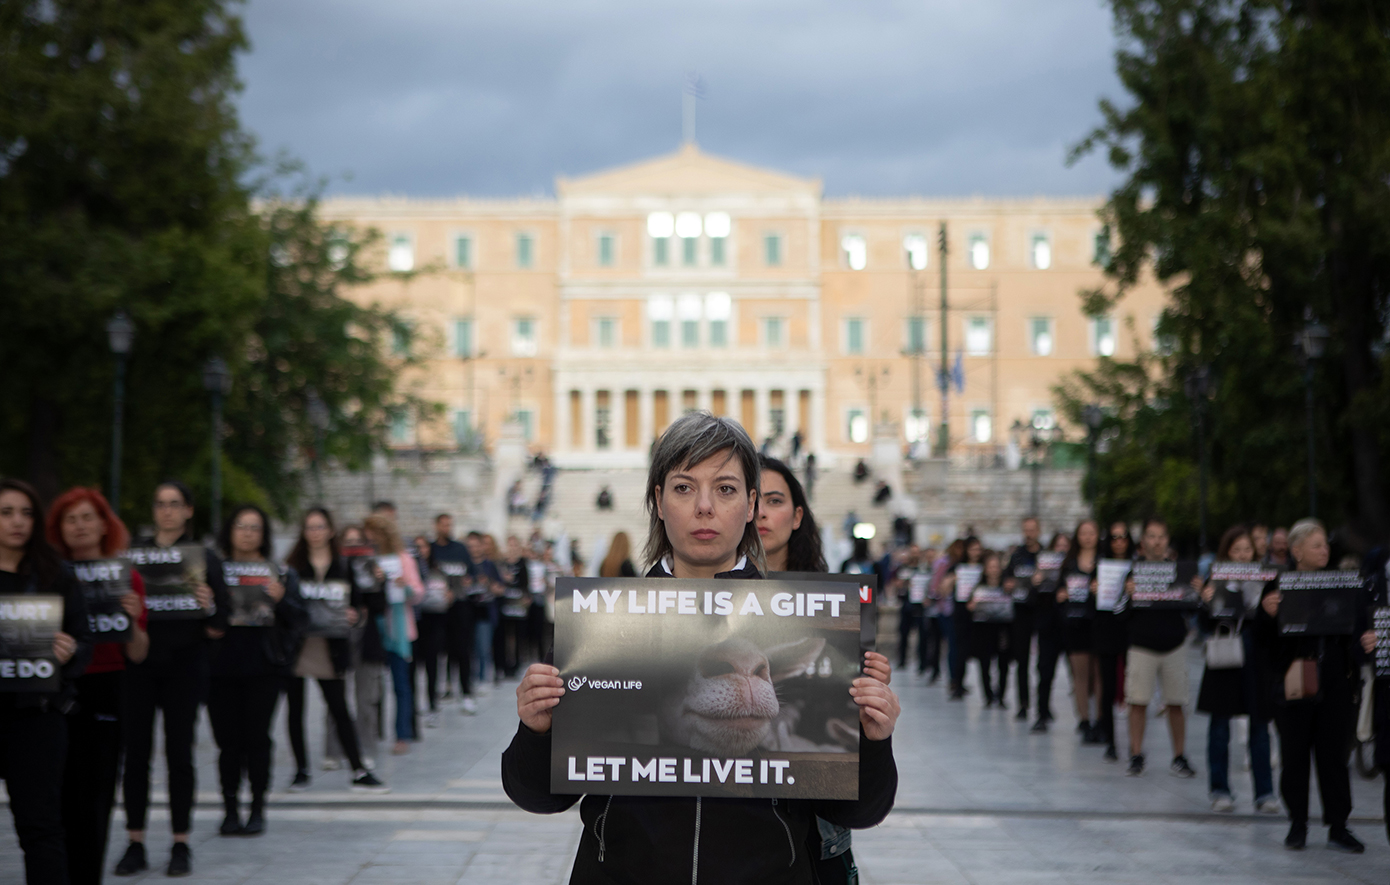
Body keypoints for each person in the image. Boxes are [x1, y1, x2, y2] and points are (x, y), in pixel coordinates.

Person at [502, 411, 899, 884]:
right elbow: (538, 796)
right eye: (684, 488)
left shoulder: (807, 620)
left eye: (726, 489)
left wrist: (874, 740)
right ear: (658, 501)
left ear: (751, 505)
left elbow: (860, 811)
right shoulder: (600, 623)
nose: (705, 507)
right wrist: (537, 730)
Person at [758, 454, 867, 885]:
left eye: (775, 500)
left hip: (815, 829)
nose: (761, 513)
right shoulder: (694, 602)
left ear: (798, 515)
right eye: (752, 500)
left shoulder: (837, 609)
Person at [114, 481, 229, 878]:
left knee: (180, 754)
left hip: (185, 665)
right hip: (139, 665)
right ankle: (135, 841)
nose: (167, 511)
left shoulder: (205, 558)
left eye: (174, 504)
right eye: (160, 504)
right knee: (136, 755)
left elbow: (220, 624)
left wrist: (208, 604)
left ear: (188, 510)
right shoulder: (132, 556)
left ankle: (181, 842)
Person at [46, 488, 149, 885]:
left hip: (107, 687)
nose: (80, 526)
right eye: (70, 519)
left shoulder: (128, 578)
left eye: (87, 517)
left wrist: (134, 619)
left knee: (97, 794)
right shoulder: (48, 576)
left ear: (105, 525)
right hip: (55, 689)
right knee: (55, 795)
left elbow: (139, 652)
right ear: (58, 529)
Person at [1257, 519, 1374, 853]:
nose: (1324, 551)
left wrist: (1367, 639)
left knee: (1334, 755)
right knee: (1295, 754)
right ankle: (1298, 823)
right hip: (1295, 678)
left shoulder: (1342, 583)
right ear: (1297, 551)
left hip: (1336, 680)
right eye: (1316, 545)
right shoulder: (1277, 584)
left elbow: (1359, 626)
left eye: (1325, 545)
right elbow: (1262, 640)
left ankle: (1338, 825)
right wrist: (1266, 614)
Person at [0, 479, 93, 885]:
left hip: (37, 718)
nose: (17, 522)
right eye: (6, 513)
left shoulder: (56, 575)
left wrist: (70, 651)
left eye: (26, 513)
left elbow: (84, 641)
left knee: (41, 828)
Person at [208, 504, 306, 836]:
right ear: (229, 531)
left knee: (257, 739)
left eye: (254, 527)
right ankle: (230, 809)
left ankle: (258, 808)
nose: (247, 533)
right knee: (227, 742)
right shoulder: (215, 571)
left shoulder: (280, 573)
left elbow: (300, 619)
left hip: (264, 666)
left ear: (264, 534)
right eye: (241, 526)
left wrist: (282, 599)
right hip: (221, 667)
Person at [282, 508, 387, 793]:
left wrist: (356, 614)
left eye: (320, 527)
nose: (315, 532)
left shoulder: (344, 566)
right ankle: (301, 770)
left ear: (330, 531)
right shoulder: (292, 567)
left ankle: (358, 769)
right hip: (298, 646)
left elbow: (362, 605)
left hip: (330, 646)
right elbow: (283, 608)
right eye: (310, 527)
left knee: (339, 707)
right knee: (295, 710)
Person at [1196, 525, 1276, 814]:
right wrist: (1205, 602)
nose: (1242, 555)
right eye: (1236, 550)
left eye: (1247, 549)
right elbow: (1203, 625)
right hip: (1224, 653)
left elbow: (1274, 628)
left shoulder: (1267, 580)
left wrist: (1269, 610)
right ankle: (1220, 789)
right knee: (1219, 725)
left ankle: (1265, 793)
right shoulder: (1215, 579)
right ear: (1226, 553)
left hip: (1256, 656)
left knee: (1259, 725)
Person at [1120, 518, 1196, 778]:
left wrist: (1197, 592)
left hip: (1174, 644)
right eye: (1152, 536)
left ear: (1167, 540)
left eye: (1161, 536)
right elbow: (1119, 612)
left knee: (1177, 702)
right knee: (1137, 701)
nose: (1157, 542)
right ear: (1143, 541)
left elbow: (1192, 608)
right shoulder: (1132, 572)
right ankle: (1136, 754)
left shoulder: (1179, 571)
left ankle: (1179, 756)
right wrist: (1128, 594)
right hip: (1142, 645)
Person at [324, 524, 386, 771]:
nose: (352, 548)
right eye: (347, 542)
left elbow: (380, 607)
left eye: (357, 542)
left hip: (366, 640)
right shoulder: (333, 568)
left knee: (366, 700)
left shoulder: (372, 568)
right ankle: (332, 750)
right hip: (338, 637)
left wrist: (380, 582)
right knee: (335, 699)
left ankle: (366, 749)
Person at [364, 514, 424, 756]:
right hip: (373, 626)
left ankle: (403, 734)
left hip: (399, 627)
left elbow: (418, 592)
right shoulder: (368, 559)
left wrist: (404, 585)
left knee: (401, 684)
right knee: (372, 683)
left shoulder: (403, 558)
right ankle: (373, 730)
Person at [1056, 520, 1102, 744]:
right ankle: (1084, 720)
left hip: (1100, 622)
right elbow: (1058, 591)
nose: (1088, 537)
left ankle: (1101, 719)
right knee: (1080, 675)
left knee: (1099, 675)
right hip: (1075, 623)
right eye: (1083, 533)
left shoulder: (1104, 561)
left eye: (1091, 533)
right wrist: (1062, 595)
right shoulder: (1068, 563)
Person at [430, 514, 478, 715]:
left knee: (462, 651)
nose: (447, 528)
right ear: (436, 526)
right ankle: (435, 696)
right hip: (436, 609)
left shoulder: (460, 549)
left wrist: (467, 582)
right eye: (444, 524)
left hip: (459, 607)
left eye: (450, 524)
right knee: (436, 652)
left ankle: (467, 693)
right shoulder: (431, 550)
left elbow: (472, 573)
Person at [1095, 521, 1133, 762]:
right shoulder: (1100, 566)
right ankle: (1110, 740)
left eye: (1123, 537)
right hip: (1106, 630)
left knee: (1134, 689)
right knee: (1108, 688)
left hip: (1131, 631)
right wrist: (1093, 591)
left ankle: (1134, 742)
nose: (1119, 542)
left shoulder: (1138, 566)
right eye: (1114, 537)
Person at [1029, 532, 1069, 733]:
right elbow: (1030, 599)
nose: (1062, 549)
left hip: (1072, 626)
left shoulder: (1075, 567)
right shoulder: (1042, 569)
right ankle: (1042, 712)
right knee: (1045, 672)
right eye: (1058, 545)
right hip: (1048, 625)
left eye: (1065, 545)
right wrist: (1035, 583)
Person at [1005, 517, 1043, 722]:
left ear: (1038, 531)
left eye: (1032, 529)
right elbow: (1006, 579)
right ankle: (1023, 703)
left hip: (1042, 611)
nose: (1029, 534)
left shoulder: (1045, 555)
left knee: (1043, 662)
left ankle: (1043, 706)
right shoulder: (1016, 555)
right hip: (1021, 612)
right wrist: (1008, 584)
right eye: (1026, 530)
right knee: (1022, 661)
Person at [411, 534, 450, 729]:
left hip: (433, 620)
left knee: (432, 665)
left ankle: (432, 703)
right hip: (415, 621)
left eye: (424, 546)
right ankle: (413, 706)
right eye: (417, 547)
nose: (421, 551)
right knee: (412, 667)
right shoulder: (410, 569)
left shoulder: (437, 569)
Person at [940, 537, 985, 701]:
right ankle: (957, 683)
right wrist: (953, 580)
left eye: (978, 549)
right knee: (960, 650)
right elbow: (943, 589)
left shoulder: (984, 566)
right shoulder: (957, 567)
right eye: (972, 549)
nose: (975, 553)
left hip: (983, 614)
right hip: (962, 614)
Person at [966, 550, 1010, 707]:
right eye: (991, 567)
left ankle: (1001, 695)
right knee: (984, 663)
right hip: (983, 629)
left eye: (996, 566)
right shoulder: (978, 587)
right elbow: (969, 606)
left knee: (1003, 663)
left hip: (1002, 628)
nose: (994, 570)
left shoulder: (1007, 587)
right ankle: (988, 695)